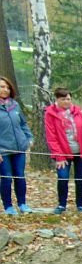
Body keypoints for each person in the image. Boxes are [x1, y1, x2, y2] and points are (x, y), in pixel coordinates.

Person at [44, 88, 82, 213]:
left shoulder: (78, 112)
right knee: (63, 177)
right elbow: (51, 136)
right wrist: (59, 156)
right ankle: (62, 204)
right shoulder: (50, 114)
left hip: (81, 151)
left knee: (80, 179)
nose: (66, 101)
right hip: (63, 152)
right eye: (63, 99)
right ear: (57, 100)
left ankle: (80, 204)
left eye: (68, 99)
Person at [0, 76, 33, 215]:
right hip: (3, 151)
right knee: (6, 178)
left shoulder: (15, 105)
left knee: (20, 176)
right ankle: (8, 207)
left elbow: (23, 123)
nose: (5, 90)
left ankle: (23, 204)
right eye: (2, 86)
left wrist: (29, 138)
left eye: (7, 87)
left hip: (19, 148)